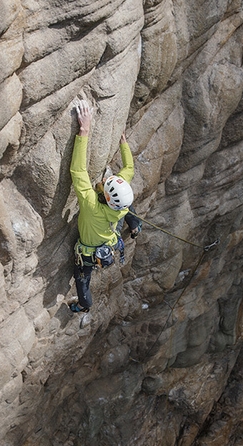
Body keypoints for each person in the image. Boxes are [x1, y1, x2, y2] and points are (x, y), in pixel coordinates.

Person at [69, 99, 141, 313]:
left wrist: (84, 130)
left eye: (105, 184)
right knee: (127, 206)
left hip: (90, 254)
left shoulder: (91, 205)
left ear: (107, 196)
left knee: (82, 278)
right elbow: (129, 167)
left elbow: (78, 172)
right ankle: (135, 226)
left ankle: (84, 304)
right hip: (111, 236)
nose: (104, 181)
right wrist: (123, 142)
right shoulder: (117, 202)